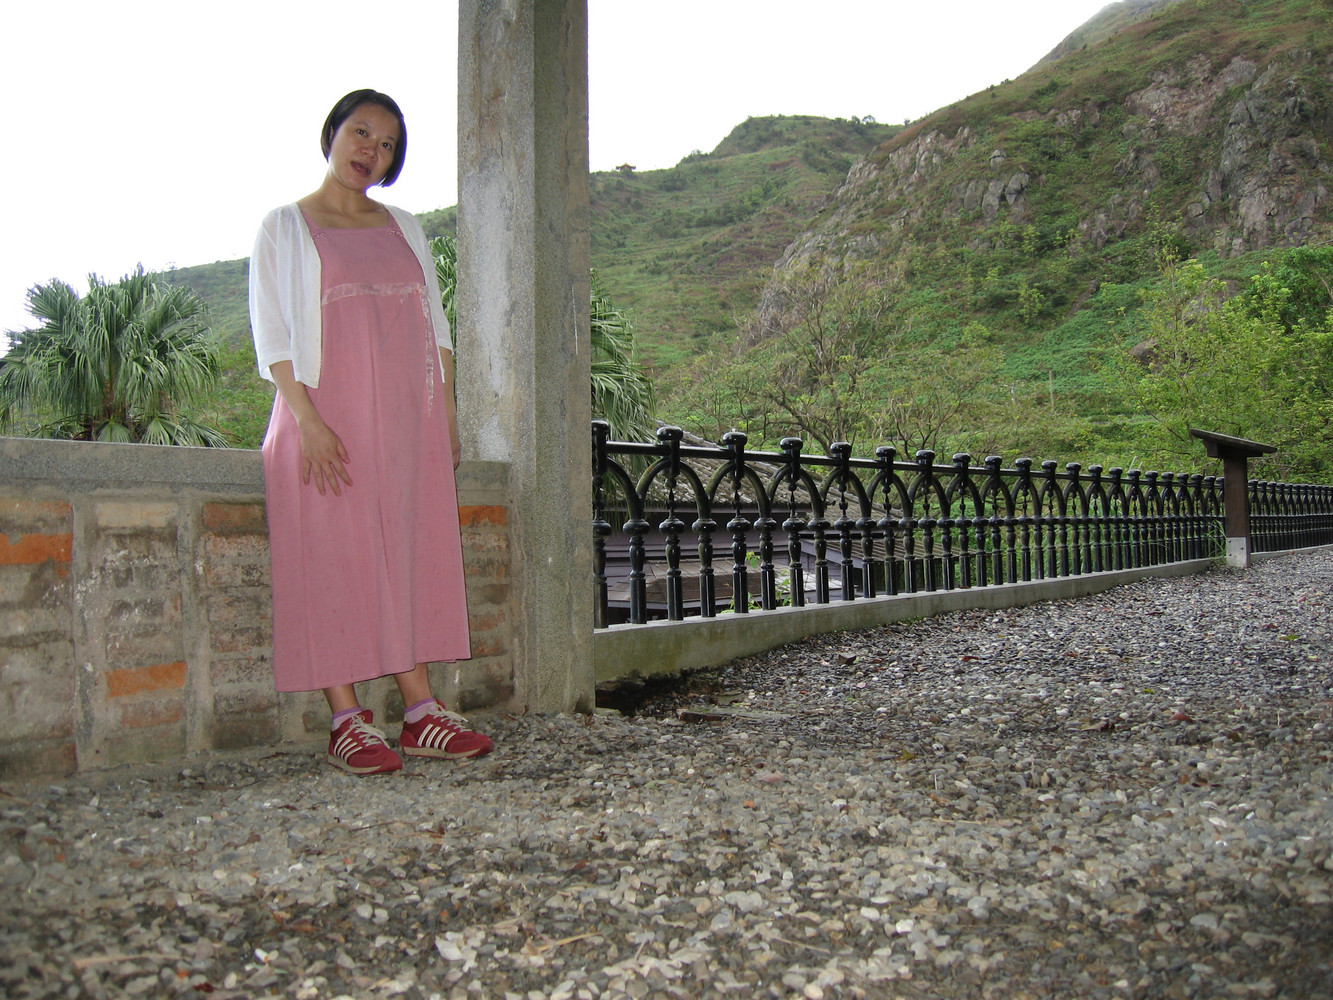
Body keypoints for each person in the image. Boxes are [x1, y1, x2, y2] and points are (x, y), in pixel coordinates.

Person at [248, 89, 493, 774]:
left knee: (408, 550)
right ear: (331, 133)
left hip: (405, 426)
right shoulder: (284, 227)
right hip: (323, 423)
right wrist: (307, 420)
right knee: (332, 560)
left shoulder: (404, 227)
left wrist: (445, 417)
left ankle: (420, 714)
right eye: (360, 132)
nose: (370, 151)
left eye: (386, 145)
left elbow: (436, 330)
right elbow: (273, 335)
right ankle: (346, 721)